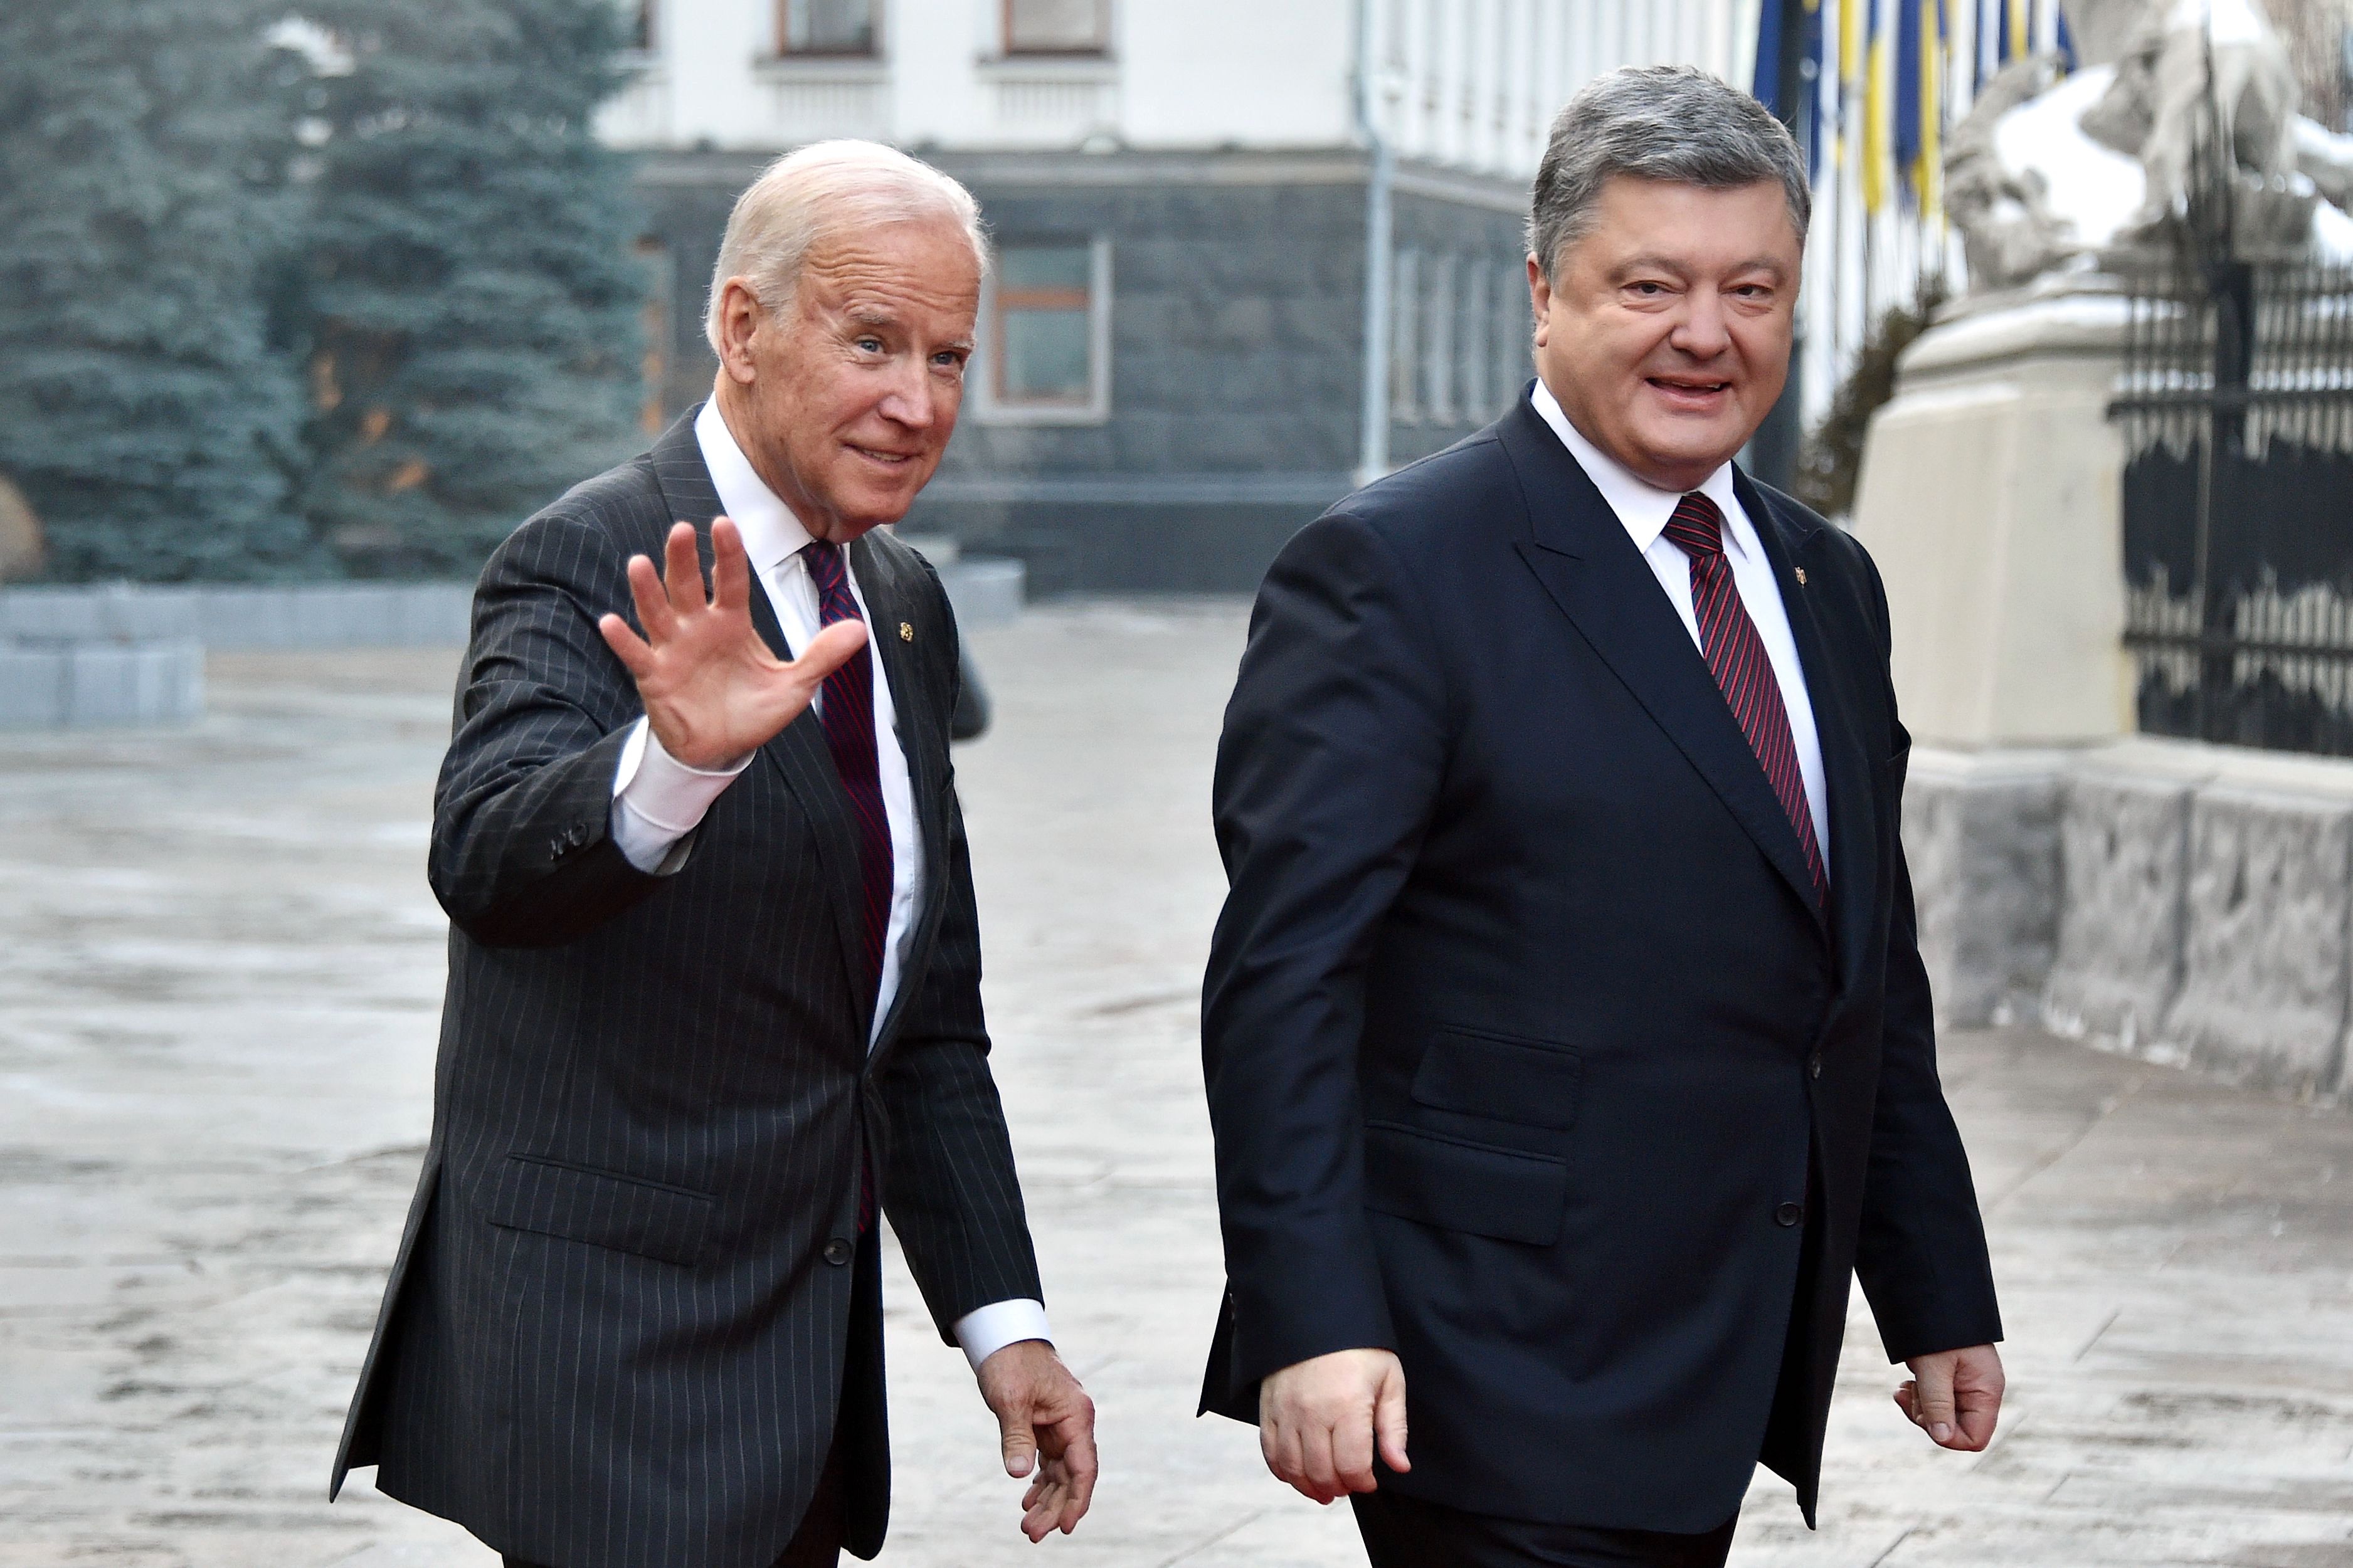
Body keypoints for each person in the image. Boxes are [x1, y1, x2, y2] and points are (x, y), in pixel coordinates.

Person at [1198, 67, 2004, 1568]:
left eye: (1750, 287)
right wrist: (1311, 1322)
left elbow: (1860, 962)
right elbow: (1285, 985)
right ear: (1543, 294)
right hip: (1488, 1363)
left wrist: (1933, 1282)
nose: (1706, 333)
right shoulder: (1390, 572)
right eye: (1650, 283)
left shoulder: (1827, 582)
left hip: (1722, 1343)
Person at [330, 140, 1097, 1568]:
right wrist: (676, 760)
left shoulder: (898, 598)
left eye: (947, 356)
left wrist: (1007, 1326)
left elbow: (919, 1026)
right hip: (610, 1371)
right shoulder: (590, 553)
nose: (918, 402)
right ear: (742, 327)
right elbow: (489, 861)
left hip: (799, 1378)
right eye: (873, 341)